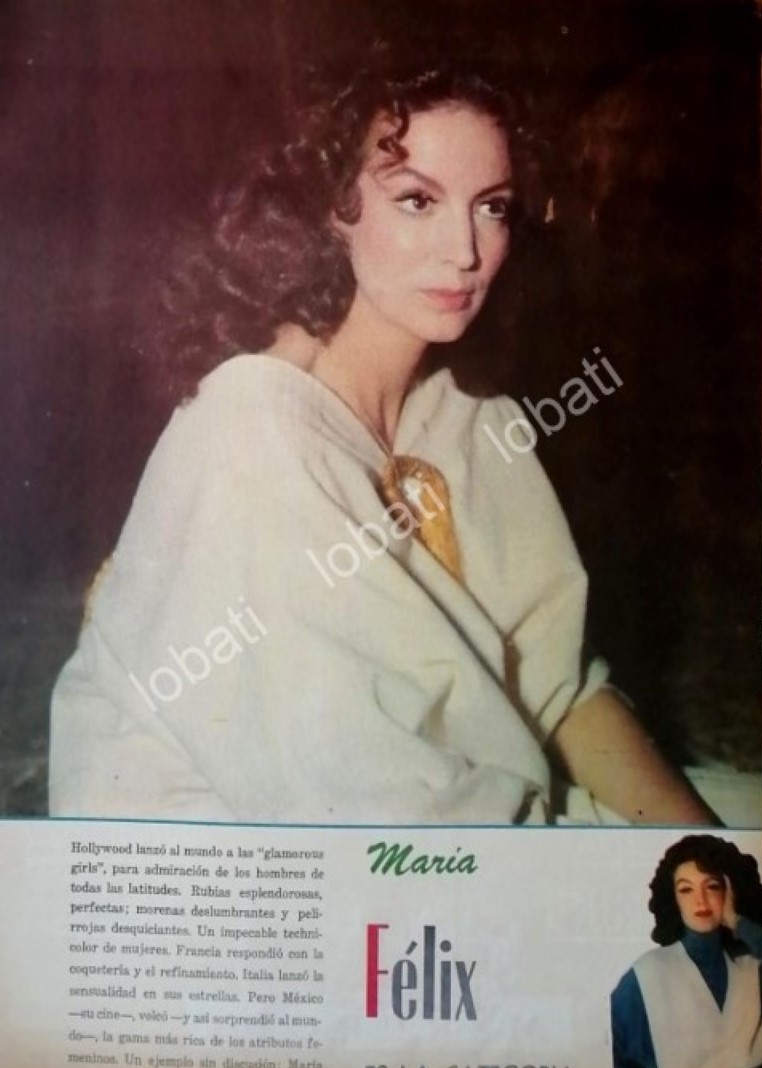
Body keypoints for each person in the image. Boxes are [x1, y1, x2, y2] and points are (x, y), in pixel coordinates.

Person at [48, 52, 722, 824]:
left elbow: (559, 690)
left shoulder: (472, 417)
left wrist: (700, 845)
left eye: (492, 207)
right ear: (333, 209)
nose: (464, 251)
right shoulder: (250, 431)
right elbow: (364, 802)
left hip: (453, 815)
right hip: (265, 853)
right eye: (416, 200)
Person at [611, 834, 762, 1068]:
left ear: (731, 891)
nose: (700, 900)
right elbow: (618, 1060)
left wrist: (736, 921)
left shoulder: (754, 966)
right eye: (686, 889)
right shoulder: (647, 975)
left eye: (712, 886)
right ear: (673, 899)